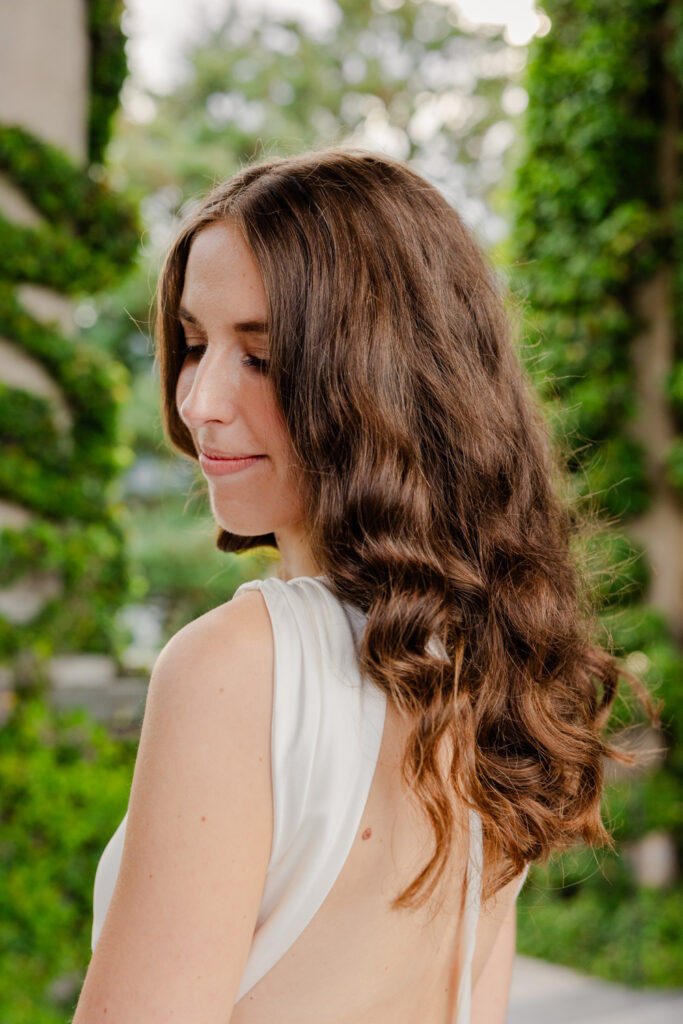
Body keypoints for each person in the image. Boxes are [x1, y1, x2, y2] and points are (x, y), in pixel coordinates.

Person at [73, 149, 646, 1023]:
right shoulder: (484, 662)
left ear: (375, 377)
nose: (200, 402)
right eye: (193, 344)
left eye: (260, 359)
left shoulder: (234, 671)